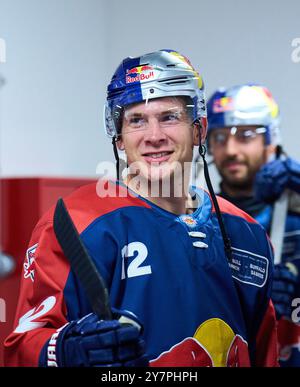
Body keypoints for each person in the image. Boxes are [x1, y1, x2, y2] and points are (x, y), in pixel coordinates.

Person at [4, 50, 278, 367]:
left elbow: (266, 350)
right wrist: (64, 351)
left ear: (198, 129)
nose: (154, 136)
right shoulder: (77, 223)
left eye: (169, 117)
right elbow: (20, 348)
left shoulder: (246, 232)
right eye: (137, 120)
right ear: (118, 137)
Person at [206, 83, 300, 366]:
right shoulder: (201, 220)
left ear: (271, 139)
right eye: (219, 138)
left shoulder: (293, 211)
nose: (231, 149)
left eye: (246, 135)